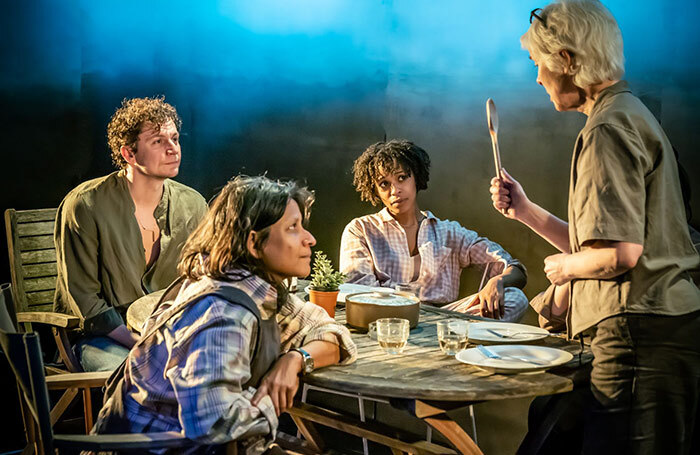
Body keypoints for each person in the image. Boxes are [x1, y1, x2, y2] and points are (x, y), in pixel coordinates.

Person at [490, 1, 700, 453]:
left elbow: (618, 257)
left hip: (637, 333)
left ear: (566, 60)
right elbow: (605, 242)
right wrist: (525, 211)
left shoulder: (608, 126)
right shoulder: (628, 113)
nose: (540, 79)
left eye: (539, 65)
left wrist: (565, 269)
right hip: (658, 330)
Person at [92, 175, 357, 454]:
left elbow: (327, 329)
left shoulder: (255, 288)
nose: (310, 239)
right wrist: (271, 399)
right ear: (254, 244)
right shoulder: (223, 313)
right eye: (293, 228)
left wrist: (294, 361)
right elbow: (213, 423)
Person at [53, 96, 208, 372]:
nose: (173, 149)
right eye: (158, 141)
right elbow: (85, 300)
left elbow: (204, 278)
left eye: (174, 138)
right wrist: (141, 342)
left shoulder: (193, 204)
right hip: (101, 337)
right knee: (144, 376)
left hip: (169, 334)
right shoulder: (85, 205)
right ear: (129, 154)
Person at [340, 139, 528, 321]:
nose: (395, 190)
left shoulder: (448, 232)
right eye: (384, 184)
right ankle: (451, 336)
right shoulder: (361, 230)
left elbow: (515, 268)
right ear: (375, 190)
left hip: (445, 319)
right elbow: (359, 295)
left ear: (416, 177)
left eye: (402, 178)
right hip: (388, 319)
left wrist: (498, 282)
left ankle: (448, 334)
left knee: (515, 297)